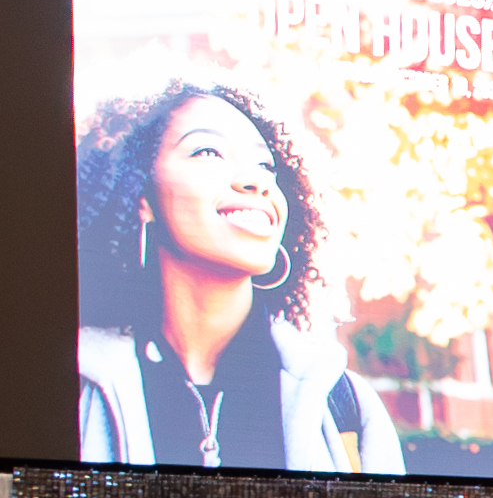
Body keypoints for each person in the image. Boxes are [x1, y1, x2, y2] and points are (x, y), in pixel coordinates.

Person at [73, 78, 401, 471]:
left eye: (265, 165)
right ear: (140, 195)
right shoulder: (74, 385)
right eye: (208, 151)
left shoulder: (345, 404)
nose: (256, 181)